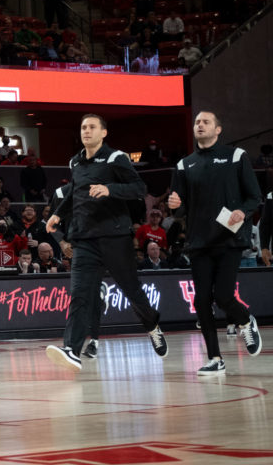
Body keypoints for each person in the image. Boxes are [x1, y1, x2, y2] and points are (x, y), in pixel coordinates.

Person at [45, 113, 167, 373]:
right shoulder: (75, 161)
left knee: (132, 290)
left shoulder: (115, 158)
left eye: (91, 127)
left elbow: (137, 188)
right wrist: (58, 213)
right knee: (79, 294)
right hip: (84, 239)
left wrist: (110, 189)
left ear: (103, 133)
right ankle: (72, 350)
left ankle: (152, 325)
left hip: (115, 237)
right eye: (83, 127)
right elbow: (75, 194)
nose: (86, 131)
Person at [169, 111, 262, 374]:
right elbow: (179, 208)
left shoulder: (236, 156)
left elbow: (254, 196)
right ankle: (215, 359)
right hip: (199, 242)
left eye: (205, 122)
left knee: (222, 296)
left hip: (229, 239)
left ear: (218, 129)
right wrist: (175, 204)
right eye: (197, 122)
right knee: (200, 301)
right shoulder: (184, 165)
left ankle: (246, 321)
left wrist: (243, 211)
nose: (199, 125)